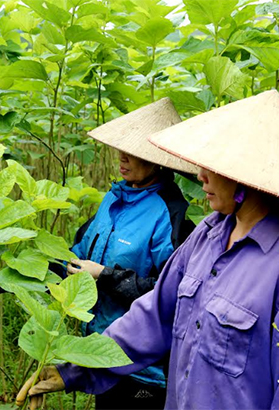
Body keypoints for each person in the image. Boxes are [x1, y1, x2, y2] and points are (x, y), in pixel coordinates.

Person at [16, 90, 279, 409]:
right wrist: (74, 368)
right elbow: (153, 319)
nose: (200, 175)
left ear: (247, 176)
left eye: (212, 166)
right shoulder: (208, 236)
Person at [63, 98, 198, 409]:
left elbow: (167, 295)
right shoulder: (112, 201)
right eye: (122, 148)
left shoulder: (169, 215)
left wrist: (103, 276)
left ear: (158, 161)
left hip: (144, 371)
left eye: (134, 152)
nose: (122, 158)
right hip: (101, 352)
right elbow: (76, 256)